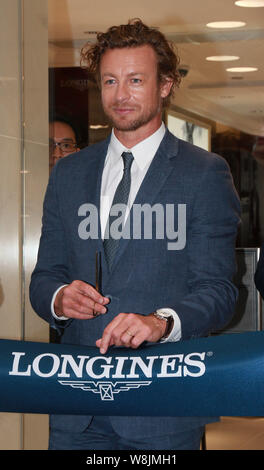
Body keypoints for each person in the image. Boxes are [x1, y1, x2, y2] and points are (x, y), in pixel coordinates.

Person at [30, 19, 241, 450]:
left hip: (161, 405)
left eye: (135, 80)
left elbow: (219, 290)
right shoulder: (69, 173)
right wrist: (59, 299)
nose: (120, 94)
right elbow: (44, 277)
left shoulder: (204, 173)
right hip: (74, 404)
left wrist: (161, 322)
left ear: (165, 85)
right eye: (110, 80)